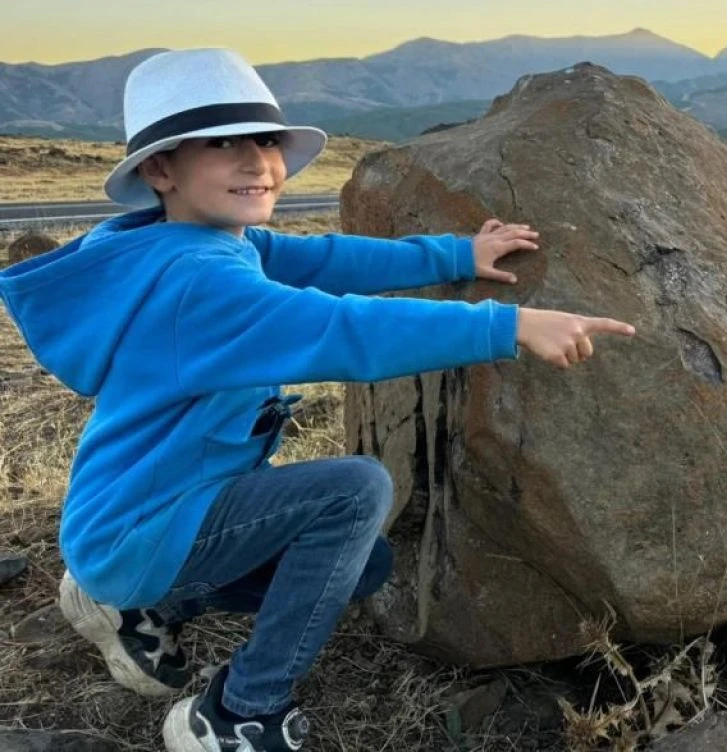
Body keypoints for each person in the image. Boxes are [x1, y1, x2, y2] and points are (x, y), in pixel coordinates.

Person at [0, 48, 635, 752]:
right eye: (223, 144)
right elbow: (339, 329)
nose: (257, 162)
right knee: (352, 493)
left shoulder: (196, 240)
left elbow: (328, 260)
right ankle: (239, 713)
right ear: (159, 169)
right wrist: (509, 325)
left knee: (362, 566)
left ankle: (133, 597)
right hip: (142, 527)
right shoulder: (196, 282)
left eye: (266, 140)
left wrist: (455, 255)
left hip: (137, 513)